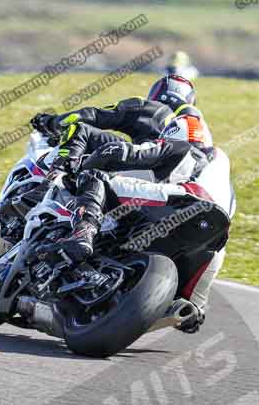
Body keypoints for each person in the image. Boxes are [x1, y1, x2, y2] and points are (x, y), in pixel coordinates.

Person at [36, 112, 224, 333]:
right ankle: (186, 308)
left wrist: (80, 169)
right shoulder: (220, 171)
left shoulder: (181, 148)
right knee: (193, 303)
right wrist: (195, 304)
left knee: (95, 178)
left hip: (183, 200)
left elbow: (121, 151)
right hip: (213, 234)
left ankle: (83, 232)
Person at [30, 74, 212, 176]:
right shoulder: (198, 129)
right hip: (174, 177)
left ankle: (55, 177)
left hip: (137, 165)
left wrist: (52, 122)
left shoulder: (148, 107)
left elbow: (92, 115)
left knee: (81, 130)